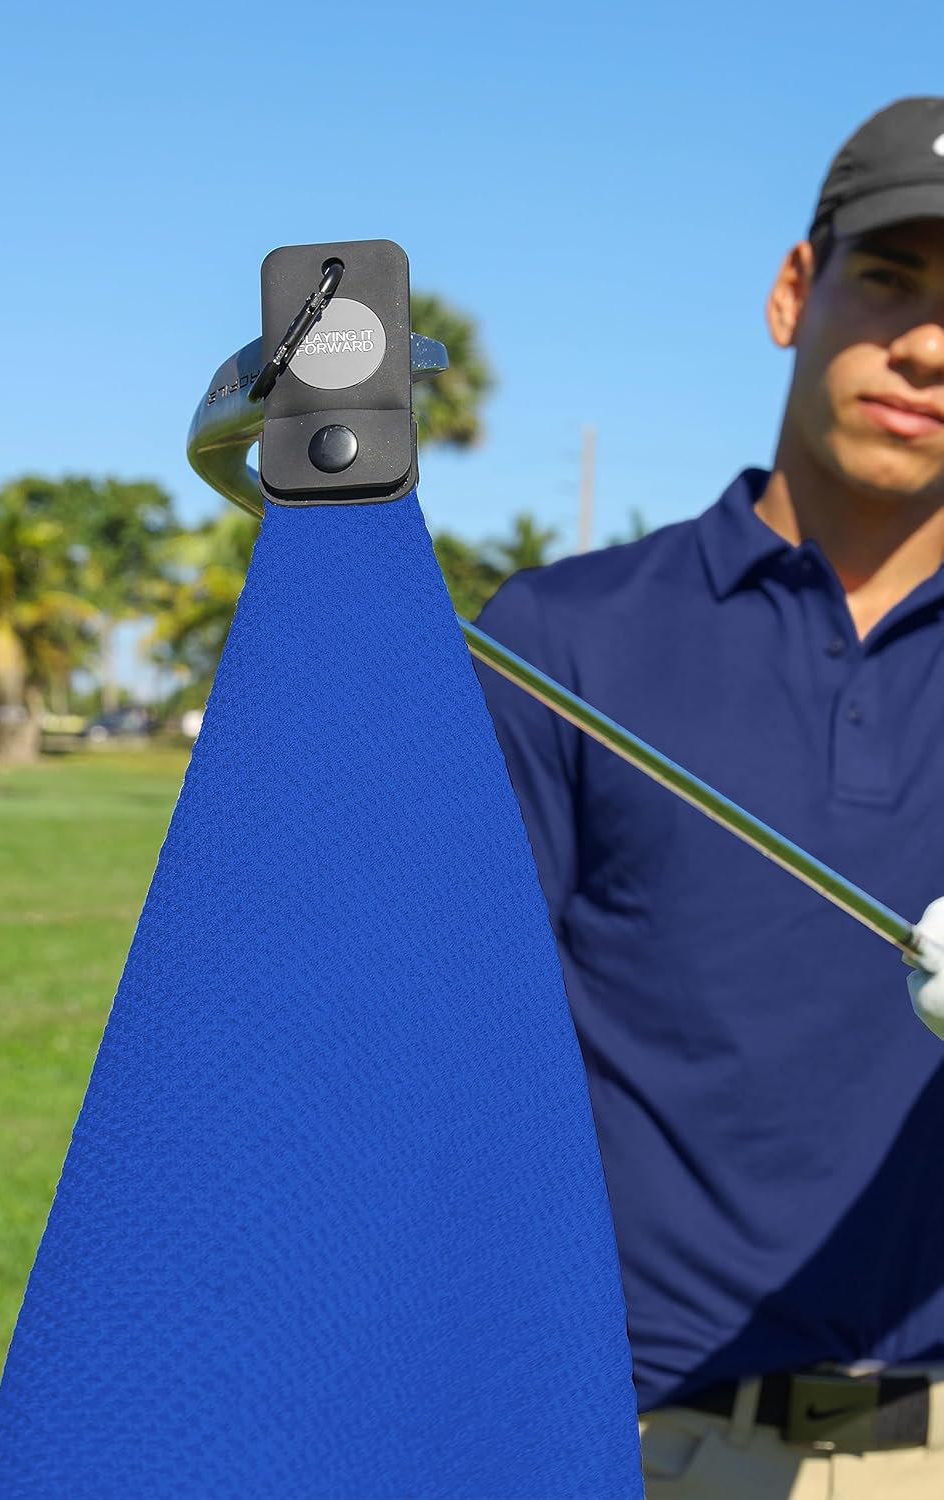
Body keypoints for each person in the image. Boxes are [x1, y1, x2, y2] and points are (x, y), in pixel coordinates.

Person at [473, 97, 944, 1498]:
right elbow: (447, 1059)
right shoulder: (561, 642)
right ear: (796, 290)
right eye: (891, 280)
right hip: (627, 1443)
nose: (929, 346)